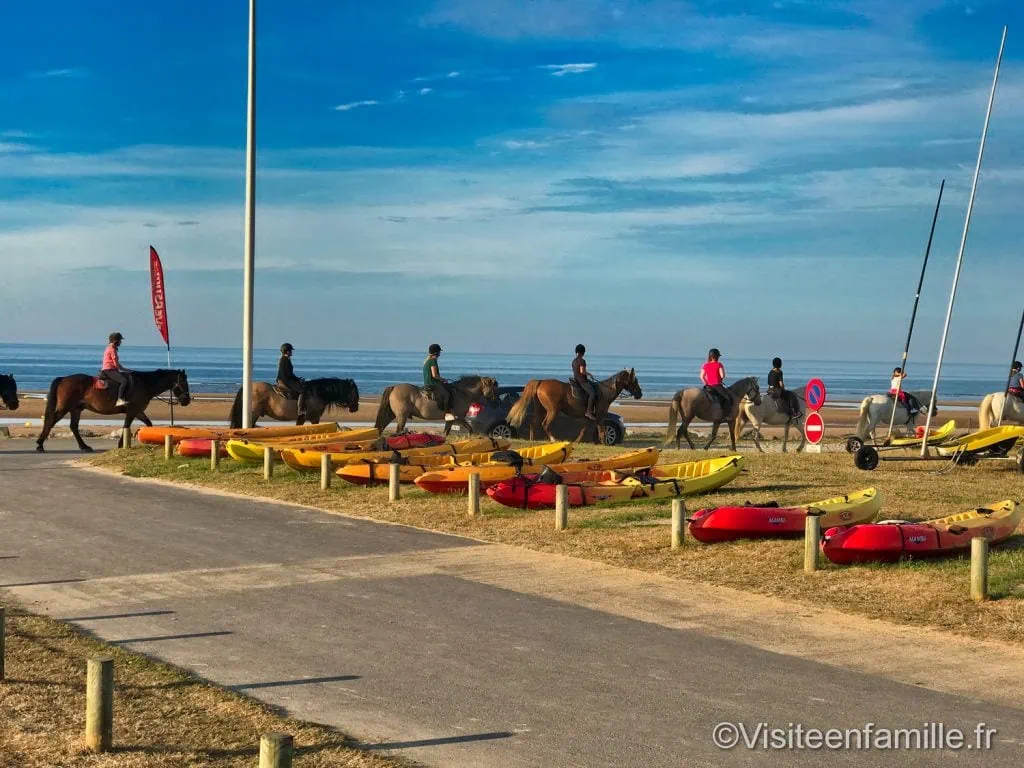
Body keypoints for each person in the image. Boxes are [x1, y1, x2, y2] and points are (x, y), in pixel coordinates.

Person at [101, 332, 130, 407]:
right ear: (115, 341)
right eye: (120, 340)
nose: (121, 342)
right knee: (124, 381)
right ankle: (119, 399)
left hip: (110, 369)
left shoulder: (109, 348)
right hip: (109, 370)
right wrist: (126, 370)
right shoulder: (112, 350)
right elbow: (116, 364)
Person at [277, 343, 306, 418]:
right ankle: (300, 410)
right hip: (285, 380)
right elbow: (288, 374)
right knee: (302, 391)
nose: (291, 352)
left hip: (284, 379)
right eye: (290, 350)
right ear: (287, 351)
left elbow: (290, 374)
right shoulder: (285, 360)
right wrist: (297, 380)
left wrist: (297, 379)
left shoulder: (285, 359)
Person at [701, 349, 733, 413]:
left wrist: (706, 384)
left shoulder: (705, 365)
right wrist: (720, 379)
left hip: (708, 386)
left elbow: (702, 376)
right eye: (718, 356)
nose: (718, 357)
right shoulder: (719, 364)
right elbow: (722, 376)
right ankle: (727, 414)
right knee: (728, 398)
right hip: (717, 385)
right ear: (716, 357)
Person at [423, 343, 451, 413]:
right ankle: (446, 412)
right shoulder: (433, 361)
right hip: (433, 384)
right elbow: (434, 375)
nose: (440, 353)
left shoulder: (427, 361)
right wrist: (443, 379)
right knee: (447, 394)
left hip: (427, 383)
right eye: (439, 352)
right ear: (436, 352)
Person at [572, 344, 597, 420]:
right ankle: (588, 412)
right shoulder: (582, 361)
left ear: (576, 352)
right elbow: (582, 371)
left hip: (576, 379)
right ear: (583, 352)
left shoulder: (574, 360)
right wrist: (590, 374)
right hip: (582, 381)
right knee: (592, 393)